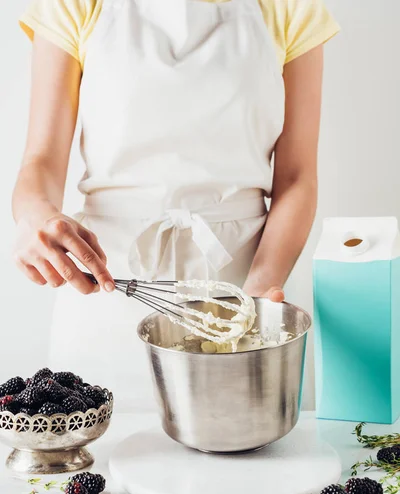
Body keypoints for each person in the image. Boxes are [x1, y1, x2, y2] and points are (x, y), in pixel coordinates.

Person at [13, 0, 339, 409]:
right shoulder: (74, 5)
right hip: (107, 289)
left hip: (240, 287)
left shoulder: (291, 7)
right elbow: (39, 162)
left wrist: (254, 303)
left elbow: (297, 178)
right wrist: (35, 218)